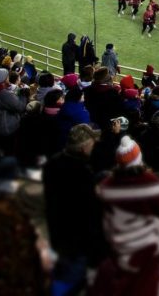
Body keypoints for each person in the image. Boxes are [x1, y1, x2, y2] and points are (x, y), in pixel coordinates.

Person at [95, 136, 159, 296]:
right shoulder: (153, 184)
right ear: (139, 159)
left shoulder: (105, 186)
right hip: (146, 255)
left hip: (115, 250)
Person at [44, 123, 107, 294]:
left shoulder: (52, 164)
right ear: (85, 147)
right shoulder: (82, 173)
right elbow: (89, 211)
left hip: (57, 230)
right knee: (71, 281)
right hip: (76, 239)